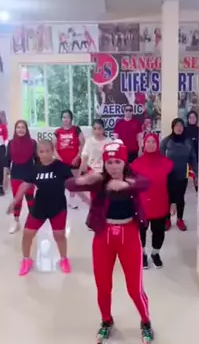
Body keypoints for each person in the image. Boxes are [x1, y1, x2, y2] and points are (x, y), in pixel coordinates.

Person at [65, 141, 154, 343]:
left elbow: (146, 182)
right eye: (109, 162)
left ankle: (146, 322)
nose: (113, 167)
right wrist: (85, 178)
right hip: (103, 237)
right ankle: (106, 321)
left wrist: (126, 184)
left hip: (128, 236)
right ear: (104, 163)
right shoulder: (99, 181)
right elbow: (69, 184)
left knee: (134, 289)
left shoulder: (133, 179)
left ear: (124, 162)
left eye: (117, 162)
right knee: (103, 286)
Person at [7, 140, 73, 276]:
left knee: (59, 235)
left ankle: (64, 259)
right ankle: (26, 260)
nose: (45, 154)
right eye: (41, 151)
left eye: (48, 151)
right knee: (27, 234)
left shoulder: (61, 167)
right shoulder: (34, 168)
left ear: (52, 150)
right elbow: (24, 186)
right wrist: (14, 202)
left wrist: (88, 200)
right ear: (37, 153)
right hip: (39, 207)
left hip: (58, 206)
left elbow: (73, 184)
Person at [132, 134, 174, 269]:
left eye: (153, 142)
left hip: (160, 203)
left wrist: (173, 203)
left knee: (159, 231)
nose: (150, 145)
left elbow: (172, 185)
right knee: (141, 231)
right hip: (142, 205)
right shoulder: (135, 165)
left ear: (157, 144)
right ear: (144, 144)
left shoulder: (167, 164)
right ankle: (142, 253)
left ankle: (155, 253)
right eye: (148, 142)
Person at [161, 118, 197, 231]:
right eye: (176, 125)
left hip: (182, 174)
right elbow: (159, 159)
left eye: (181, 125)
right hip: (168, 175)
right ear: (173, 127)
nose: (179, 128)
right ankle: (167, 219)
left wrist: (196, 173)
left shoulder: (188, 141)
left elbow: (193, 158)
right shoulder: (166, 141)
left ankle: (179, 219)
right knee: (167, 197)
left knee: (180, 198)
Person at [5, 120, 37, 234]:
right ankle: (16, 221)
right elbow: (7, 161)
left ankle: (33, 221)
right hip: (16, 175)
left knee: (30, 199)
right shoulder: (11, 143)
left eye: (23, 127)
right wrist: (5, 177)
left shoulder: (32, 143)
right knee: (17, 199)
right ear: (15, 129)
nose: (20, 129)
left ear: (26, 129)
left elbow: (37, 160)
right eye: (18, 127)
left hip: (29, 174)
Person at [54, 109, 84, 210]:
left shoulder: (76, 130)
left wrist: (77, 157)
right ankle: (60, 201)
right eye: (64, 117)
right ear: (61, 119)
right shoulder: (57, 132)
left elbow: (83, 144)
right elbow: (53, 147)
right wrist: (58, 159)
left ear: (71, 118)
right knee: (60, 182)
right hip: (61, 162)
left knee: (73, 182)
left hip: (74, 161)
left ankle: (72, 201)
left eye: (67, 117)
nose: (66, 119)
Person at [184, 110, 199, 190]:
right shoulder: (184, 130)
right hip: (187, 156)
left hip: (196, 155)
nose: (192, 119)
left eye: (194, 117)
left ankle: (197, 189)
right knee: (185, 176)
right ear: (188, 119)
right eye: (190, 118)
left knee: (196, 175)